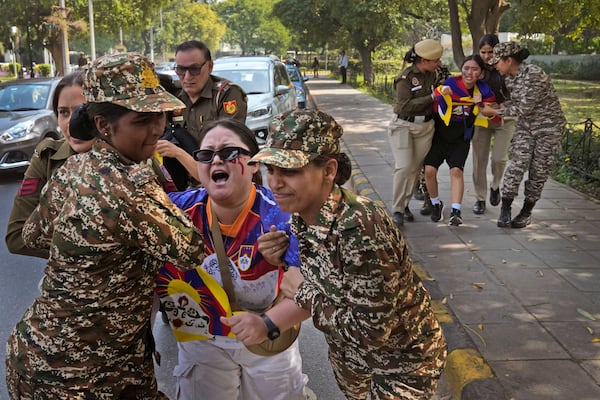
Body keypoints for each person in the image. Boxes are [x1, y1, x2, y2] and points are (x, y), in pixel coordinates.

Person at [5, 52, 207, 399]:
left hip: (34, 356)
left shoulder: (72, 169)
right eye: (143, 119)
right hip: (87, 377)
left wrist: (90, 258)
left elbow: (33, 235)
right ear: (104, 126)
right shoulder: (131, 186)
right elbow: (191, 249)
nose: (158, 128)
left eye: (161, 115)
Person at [249, 109, 447, 399]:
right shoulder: (304, 214)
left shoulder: (362, 230)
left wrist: (304, 293)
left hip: (402, 367)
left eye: (289, 171)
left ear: (328, 171)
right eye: (271, 170)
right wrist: (279, 257)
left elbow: (371, 332)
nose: (275, 183)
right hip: (352, 361)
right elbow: (328, 275)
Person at [156, 118, 309, 399]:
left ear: (253, 165)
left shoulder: (281, 215)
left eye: (228, 152)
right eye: (206, 155)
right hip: (202, 341)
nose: (216, 160)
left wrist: (267, 322)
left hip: (268, 340)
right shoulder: (173, 211)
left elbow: (307, 288)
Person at [5, 72, 93, 258]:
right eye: (63, 113)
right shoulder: (48, 155)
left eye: (79, 112)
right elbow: (16, 238)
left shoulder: (130, 153)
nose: (71, 122)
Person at [482, 42, 566, 228]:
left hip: (548, 130)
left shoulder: (534, 75)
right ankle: (505, 209)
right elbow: (516, 101)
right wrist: (501, 106)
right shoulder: (510, 78)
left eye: (497, 62)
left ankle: (526, 212)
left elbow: (523, 107)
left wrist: (494, 113)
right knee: (516, 165)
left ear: (509, 60)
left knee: (539, 171)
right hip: (526, 128)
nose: (494, 65)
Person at [155, 40, 248, 185]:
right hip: (185, 184)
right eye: (180, 70)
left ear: (210, 66)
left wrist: (177, 153)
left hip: (221, 181)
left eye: (194, 69)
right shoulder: (174, 95)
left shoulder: (226, 94)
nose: (187, 77)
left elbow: (225, 154)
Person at [425, 55, 498, 226]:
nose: (469, 73)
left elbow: (491, 112)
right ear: (461, 69)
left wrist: (480, 104)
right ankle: (436, 204)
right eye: (466, 68)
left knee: (456, 171)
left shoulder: (483, 90)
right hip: (439, 135)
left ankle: (455, 211)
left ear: (480, 73)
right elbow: (436, 93)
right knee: (429, 171)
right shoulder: (451, 83)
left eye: (475, 69)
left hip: (461, 137)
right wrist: (442, 92)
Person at [388, 38, 443, 227]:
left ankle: (404, 205)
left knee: (414, 169)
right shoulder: (405, 78)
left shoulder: (433, 73)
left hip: (425, 127)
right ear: (424, 60)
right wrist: (432, 97)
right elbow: (403, 106)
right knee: (403, 167)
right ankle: (397, 209)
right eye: (435, 60)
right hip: (403, 125)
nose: (439, 63)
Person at [471, 34, 516, 215]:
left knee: (499, 158)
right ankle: (480, 199)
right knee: (478, 160)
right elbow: (465, 84)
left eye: (491, 52)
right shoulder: (476, 66)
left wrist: (503, 105)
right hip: (482, 118)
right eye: (483, 52)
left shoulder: (506, 67)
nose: (487, 56)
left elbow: (519, 93)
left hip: (505, 118)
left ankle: (496, 185)